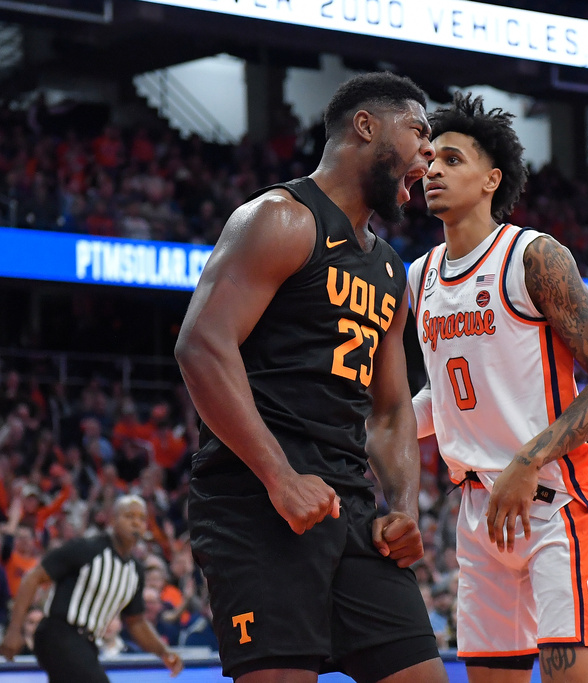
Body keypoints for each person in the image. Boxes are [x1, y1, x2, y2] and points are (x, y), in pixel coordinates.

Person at [175, 72, 447, 683]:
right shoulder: (281, 218)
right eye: (419, 131)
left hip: (350, 507)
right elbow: (202, 345)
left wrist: (404, 509)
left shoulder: (388, 268)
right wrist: (280, 478)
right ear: (366, 126)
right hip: (256, 501)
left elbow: (390, 410)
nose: (429, 153)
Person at [408, 93, 588, 682]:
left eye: (452, 160)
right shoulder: (419, 276)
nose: (433, 171)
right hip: (480, 509)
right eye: (430, 160)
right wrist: (371, 436)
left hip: (556, 499)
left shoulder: (532, 256)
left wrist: (527, 459)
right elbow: (444, 397)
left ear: (492, 180)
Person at [0, 494, 182, 682]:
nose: (136, 523)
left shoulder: (135, 571)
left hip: (87, 644)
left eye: (142, 518)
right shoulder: (86, 549)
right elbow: (32, 578)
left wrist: (163, 652)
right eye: (129, 516)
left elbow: (136, 623)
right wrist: (14, 630)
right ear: (113, 520)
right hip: (58, 634)